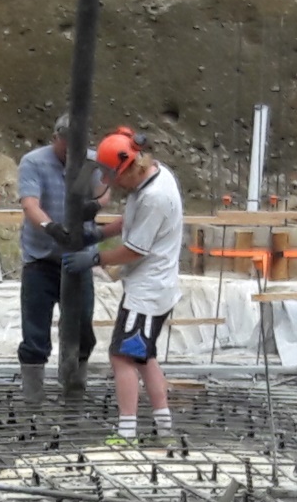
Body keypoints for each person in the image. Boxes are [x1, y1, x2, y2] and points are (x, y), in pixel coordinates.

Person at [62, 127, 183, 446]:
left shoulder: (156, 197)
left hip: (147, 291)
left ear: (128, 167)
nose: (109, 182)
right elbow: (133, 219)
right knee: (144, 355)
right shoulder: (153, 177)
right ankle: (165, 430)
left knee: (122, 356)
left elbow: (135, 250)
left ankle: (127, 433)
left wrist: (94, 258)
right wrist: (100, 233)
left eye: (111, 176)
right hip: (157, 287)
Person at [16, 112, 109, 403]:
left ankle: (74, 389)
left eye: (77, 146)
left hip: (78, 259)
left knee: (82, 326)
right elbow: (30, 203)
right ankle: (33, 396)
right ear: (56, 138)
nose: (71, 151)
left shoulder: (92, 161)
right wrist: (51, 227)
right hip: (41, 259)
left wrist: (93, 206)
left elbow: (104, 191)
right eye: (66, 145)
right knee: (35, 330)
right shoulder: (34, 162)